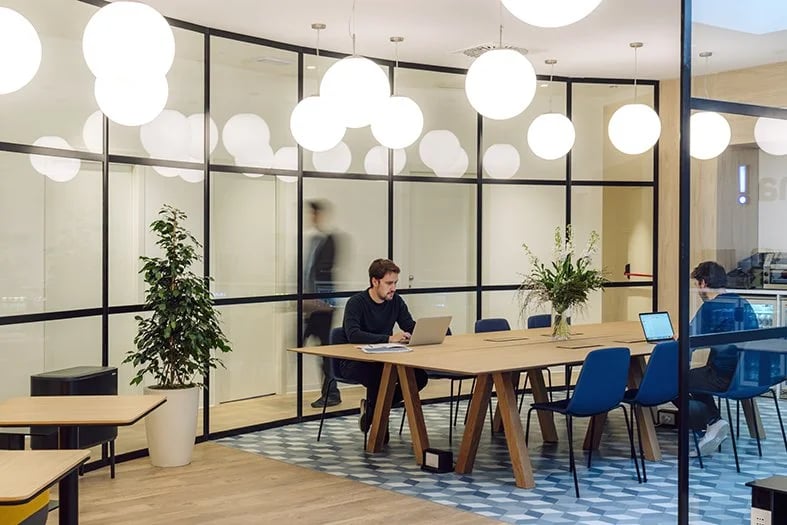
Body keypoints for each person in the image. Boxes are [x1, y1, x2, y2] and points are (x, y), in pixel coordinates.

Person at [340, 258, 429, 434]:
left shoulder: (395, 301)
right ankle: (379, 423)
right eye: (389, 283)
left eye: (395, 283)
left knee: (420, 377)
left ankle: (374, 411)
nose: (393, 288)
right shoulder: (356, 303)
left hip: (386, 359)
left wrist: (427, 331)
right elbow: (354, 335)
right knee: (381, 376)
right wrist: (388, 339)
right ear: (375, 281)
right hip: (355, 362)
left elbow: (408, 324)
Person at [687, 260, 759, 456]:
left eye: (697, 285)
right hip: (748, 375)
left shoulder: (711, 308)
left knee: (677, 379)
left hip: (725, 377)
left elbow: (689, 340)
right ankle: (713, 423)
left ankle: (713, 422)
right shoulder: (741, 302)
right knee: (699, 374)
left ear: (702, 283)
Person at [303, 200, 342, 408]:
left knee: (325, 350)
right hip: (311, 305)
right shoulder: (314, 241)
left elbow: (325, 274)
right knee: (319, 349)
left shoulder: (329, 241)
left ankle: (332, 393)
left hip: (322, 306)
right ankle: (331, 391)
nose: (311, 217)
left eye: (313, 214)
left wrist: (320, 302)